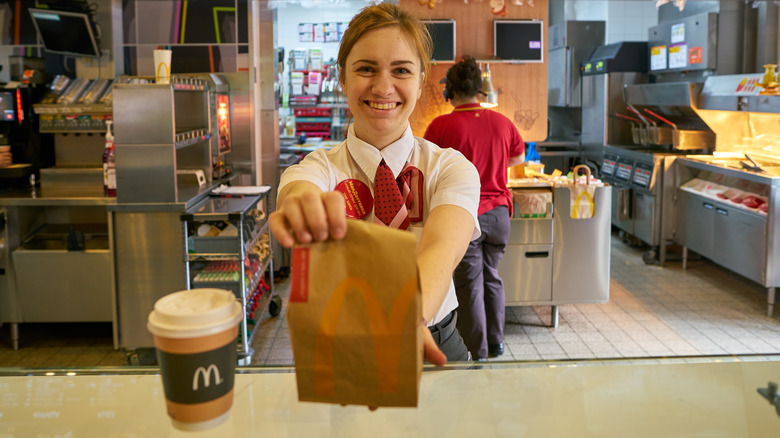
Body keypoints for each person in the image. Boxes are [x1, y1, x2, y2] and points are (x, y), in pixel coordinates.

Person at [269, 3, 481, 365]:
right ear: (342, 78)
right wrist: (301, 207)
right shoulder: (318, 167)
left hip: (433, 341)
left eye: (401, 70)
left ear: (421, 78)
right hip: (346, 348)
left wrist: (407, 318)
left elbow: (442, 249)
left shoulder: (450, 168)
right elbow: (299, 188)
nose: (383, 87)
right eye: (366, 69)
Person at [423, 56, 525, 360]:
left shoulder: (441, 125)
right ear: (479, 90)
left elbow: (426, 169)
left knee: (469, 284)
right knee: (492, 275)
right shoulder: (503, 122)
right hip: (499, 214)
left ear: (449, 92)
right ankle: (497, 343)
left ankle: (478, 353)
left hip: (465, 216)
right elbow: (517, 160)